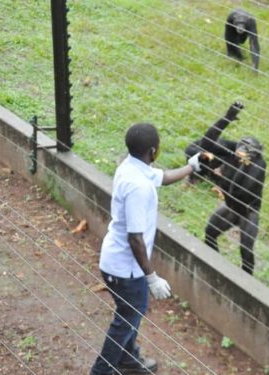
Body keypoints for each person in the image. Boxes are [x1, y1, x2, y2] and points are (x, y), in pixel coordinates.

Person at [90, 123, 208, 375]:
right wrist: (151, 277)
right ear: (153, 150)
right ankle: (101, 371)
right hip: (125, 270)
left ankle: (128, 360)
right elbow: (135, 238)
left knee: (130, 313)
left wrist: (191, 167)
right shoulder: (139, 189)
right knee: (126, 319)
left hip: (117, 263)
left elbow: (161, 177)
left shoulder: (131, 166)